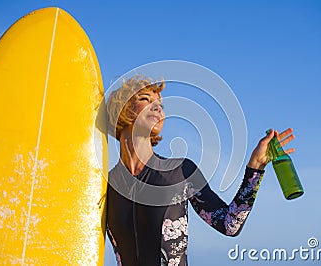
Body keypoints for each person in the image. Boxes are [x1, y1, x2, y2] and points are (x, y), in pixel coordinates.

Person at [101, 76, 295, 266]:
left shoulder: (180, 171)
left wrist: (255, 167)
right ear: (121, 109)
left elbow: (229, 225)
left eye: (160, 104)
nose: (158, 107)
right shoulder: (104, 185)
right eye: (145, 99)